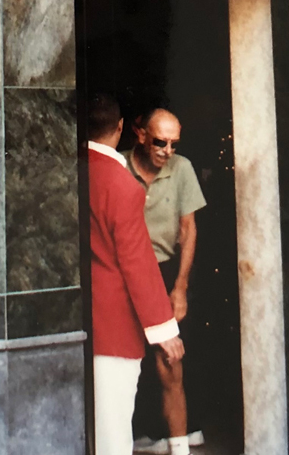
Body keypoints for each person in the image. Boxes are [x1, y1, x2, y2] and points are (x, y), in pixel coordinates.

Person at [86, 93, 185, 455]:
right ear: (122, 129)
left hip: (71, 320)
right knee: (113, 434)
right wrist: (164, 330)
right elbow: (136, 262)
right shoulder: (122, 184)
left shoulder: (68, 169)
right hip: (113, 326)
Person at [125, 109, 206, 455]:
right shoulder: (118, 166)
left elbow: (188, 230)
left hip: (165, 269)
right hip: (126, 272)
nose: (167, 151)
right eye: (160, 142)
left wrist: (181, 287)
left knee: (169, 357)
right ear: (140, 134)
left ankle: (178, 440)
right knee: (129, 356)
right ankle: (142, 431)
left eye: (174, 144)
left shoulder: (182, 168)